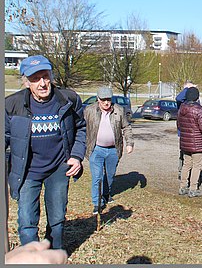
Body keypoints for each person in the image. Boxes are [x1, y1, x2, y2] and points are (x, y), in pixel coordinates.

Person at [5, 55, 86, 249]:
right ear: (27, 82)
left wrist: (76, 156)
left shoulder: (68, 100)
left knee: (57, 219)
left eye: (45, 76)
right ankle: (33, 258)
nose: (42, 83)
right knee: (27, 222)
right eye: (35, 79)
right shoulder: (11, 105)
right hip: (26, 171)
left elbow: (81, 128)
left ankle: (53, 254)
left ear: (51, 76)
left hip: (58, 169)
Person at [84, 86, 134, 214]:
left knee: (110, 176)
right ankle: (97, 203)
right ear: (98, 99)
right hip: (96, 149)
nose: (106, 103)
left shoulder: (119, 110)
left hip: (113, 150)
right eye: (103, 100)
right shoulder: (89, 110)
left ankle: (106, 194)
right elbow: (81, 128)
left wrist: (129, 143)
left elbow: (126, 127)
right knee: (97, 177)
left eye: (108, 100)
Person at [177, 87, 202, 197]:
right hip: (197, 142)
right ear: (197, 97)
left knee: (186, 164)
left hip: (185, 141)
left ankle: (183, 187)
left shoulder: (181, 108)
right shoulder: (198, 109)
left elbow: (179, 125)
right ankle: (193, 189)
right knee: (197, 165)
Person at [175, 80, 196, 178]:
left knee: (194, 153)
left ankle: (192, 171)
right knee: (184, 152)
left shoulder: (194, 100)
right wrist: (187, 89)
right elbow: (178, 98)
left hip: (194, 130)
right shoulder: (182, 102)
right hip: (184, 130)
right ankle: (182, 171)